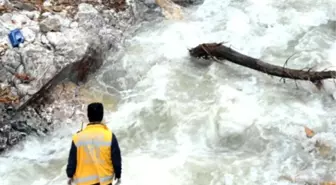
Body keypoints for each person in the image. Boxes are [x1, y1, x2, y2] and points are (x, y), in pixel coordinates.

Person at [66, 102, 122, 185]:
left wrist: (70, 175)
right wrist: (118, 175)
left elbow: (72, 162)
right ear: (102, 115)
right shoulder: (109, 135)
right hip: (105, 182)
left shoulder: (77, 137)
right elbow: (116, 159)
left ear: (88, 116)